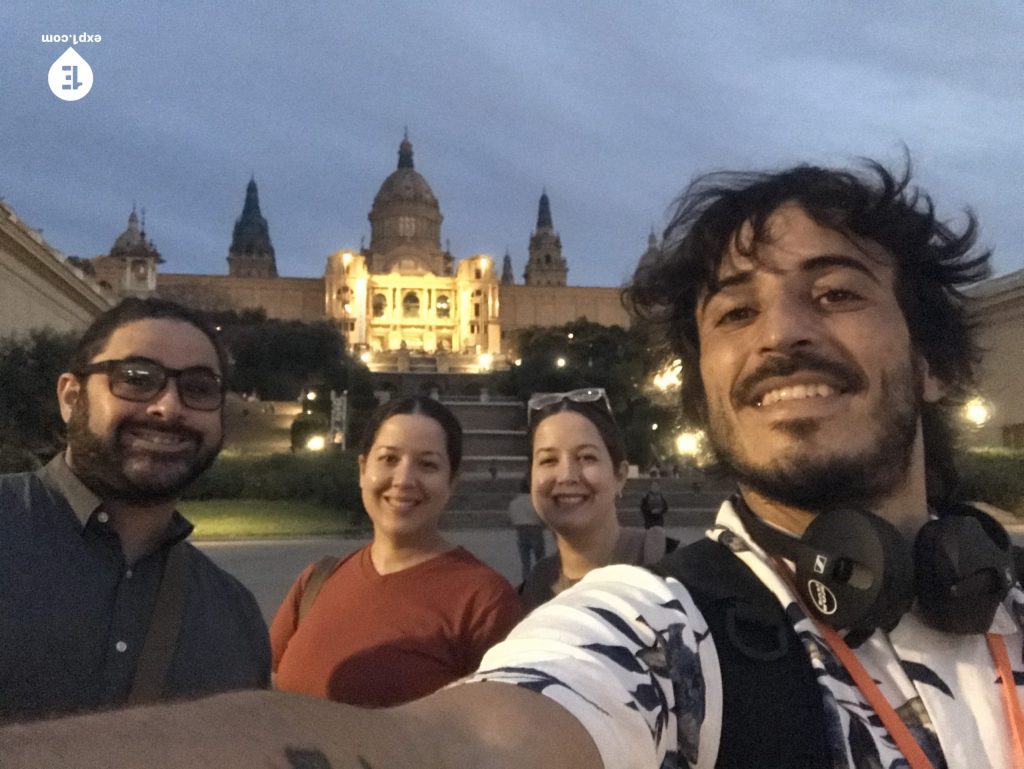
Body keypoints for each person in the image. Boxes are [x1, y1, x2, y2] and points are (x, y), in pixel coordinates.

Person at [2, 160, 1017, 769]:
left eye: (835, 292)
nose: (782, 333)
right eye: (736, 310)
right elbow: (473, 742)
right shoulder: (650, 635)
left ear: (935, 359)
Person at [0, 297, 269, 722]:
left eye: (199, 388)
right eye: (137, 379)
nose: (169, 407)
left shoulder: (235, 616)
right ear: (71, 397)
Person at [269, 396, 524, 707]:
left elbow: (499, 722)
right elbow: (266, 693)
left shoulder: (484, 602)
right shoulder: (316, 582)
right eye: (389, 459)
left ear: (452, 482)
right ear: (362, 469)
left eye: (427, 465)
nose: (403, 480)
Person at [519, 389, 677, 610]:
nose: (567, 476)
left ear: (620, 475)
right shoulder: (529, 595)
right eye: (548, 460)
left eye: (587, 457)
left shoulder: (678, 576)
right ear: (530, 478)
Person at [506, 476, 546, 583]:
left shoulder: (514, 502)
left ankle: (526, 581)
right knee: (540, 559)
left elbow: (511, 517)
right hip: (535, 529)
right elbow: (542, 515)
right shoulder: (536, 501)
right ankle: (541, 579)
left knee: (525, 561)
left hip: (521, 530)